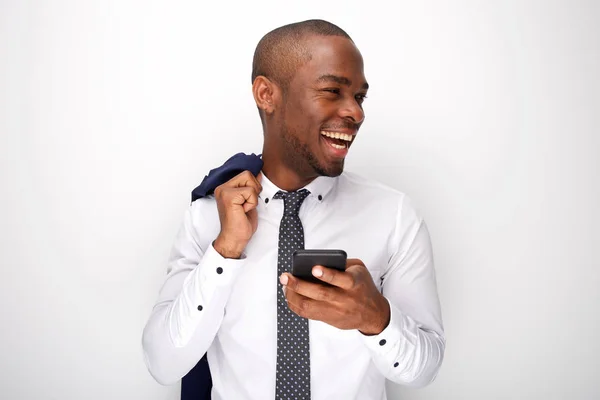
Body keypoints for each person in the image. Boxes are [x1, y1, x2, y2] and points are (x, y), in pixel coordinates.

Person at [142, 19, 445, 400]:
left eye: (359, 97)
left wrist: (376, 320)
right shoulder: (207, 219)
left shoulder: (394, 215)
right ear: (266, 94)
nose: (356, 113)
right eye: (332, 90)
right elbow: (162, 362)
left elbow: (426, 368)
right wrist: (225, 251)